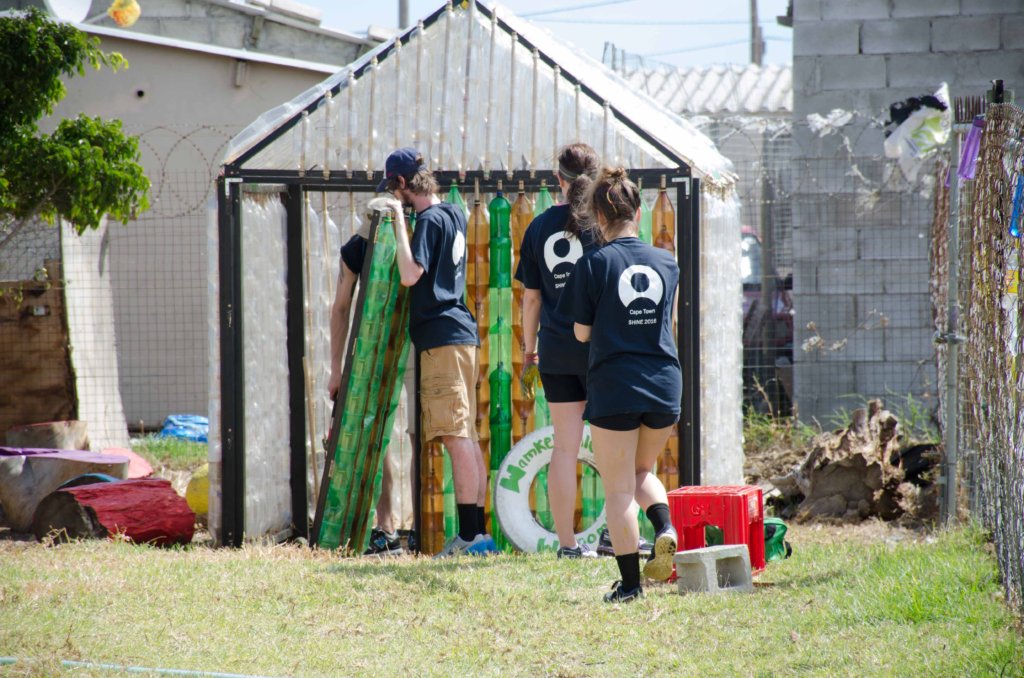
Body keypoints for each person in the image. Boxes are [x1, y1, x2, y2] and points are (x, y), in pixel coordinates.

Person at [561, 167, 680, 603]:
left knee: (618, 489)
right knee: (640, 471)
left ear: (597, 214)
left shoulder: (593, 264)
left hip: (616, 386)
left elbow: (580, 333)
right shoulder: (668, 261)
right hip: (665, 385)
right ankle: (665, 527)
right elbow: (666, 324)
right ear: (638, 211)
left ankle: (630, 586)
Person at [379, 147, 494, 557]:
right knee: (465, 435)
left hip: (443, 339)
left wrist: (396, 221)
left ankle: (468, 537)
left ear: (402, 184)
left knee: (454, 435)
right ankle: (477, 535)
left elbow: (411, 275)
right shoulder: (453, 213)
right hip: (461, 336)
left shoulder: (427, 220)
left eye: (396, 190)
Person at [514, 143, 600, 559]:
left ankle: (568, 543)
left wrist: (530, 351)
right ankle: (620, 534)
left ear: (558, 181)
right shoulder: (602, 224)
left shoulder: (538, 226)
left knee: (564, 448)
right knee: (613, 445)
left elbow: (530, 300)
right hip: (601, 349)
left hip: (555, 350)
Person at [328, 211, 416, 556]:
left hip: (414, 341)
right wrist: (336, 368)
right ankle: (386, 528)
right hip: (374, 345)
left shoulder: (421, 232)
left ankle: (421, 528)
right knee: (372, 433)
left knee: (418, 437)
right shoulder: (355, 250)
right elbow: (340, 307)